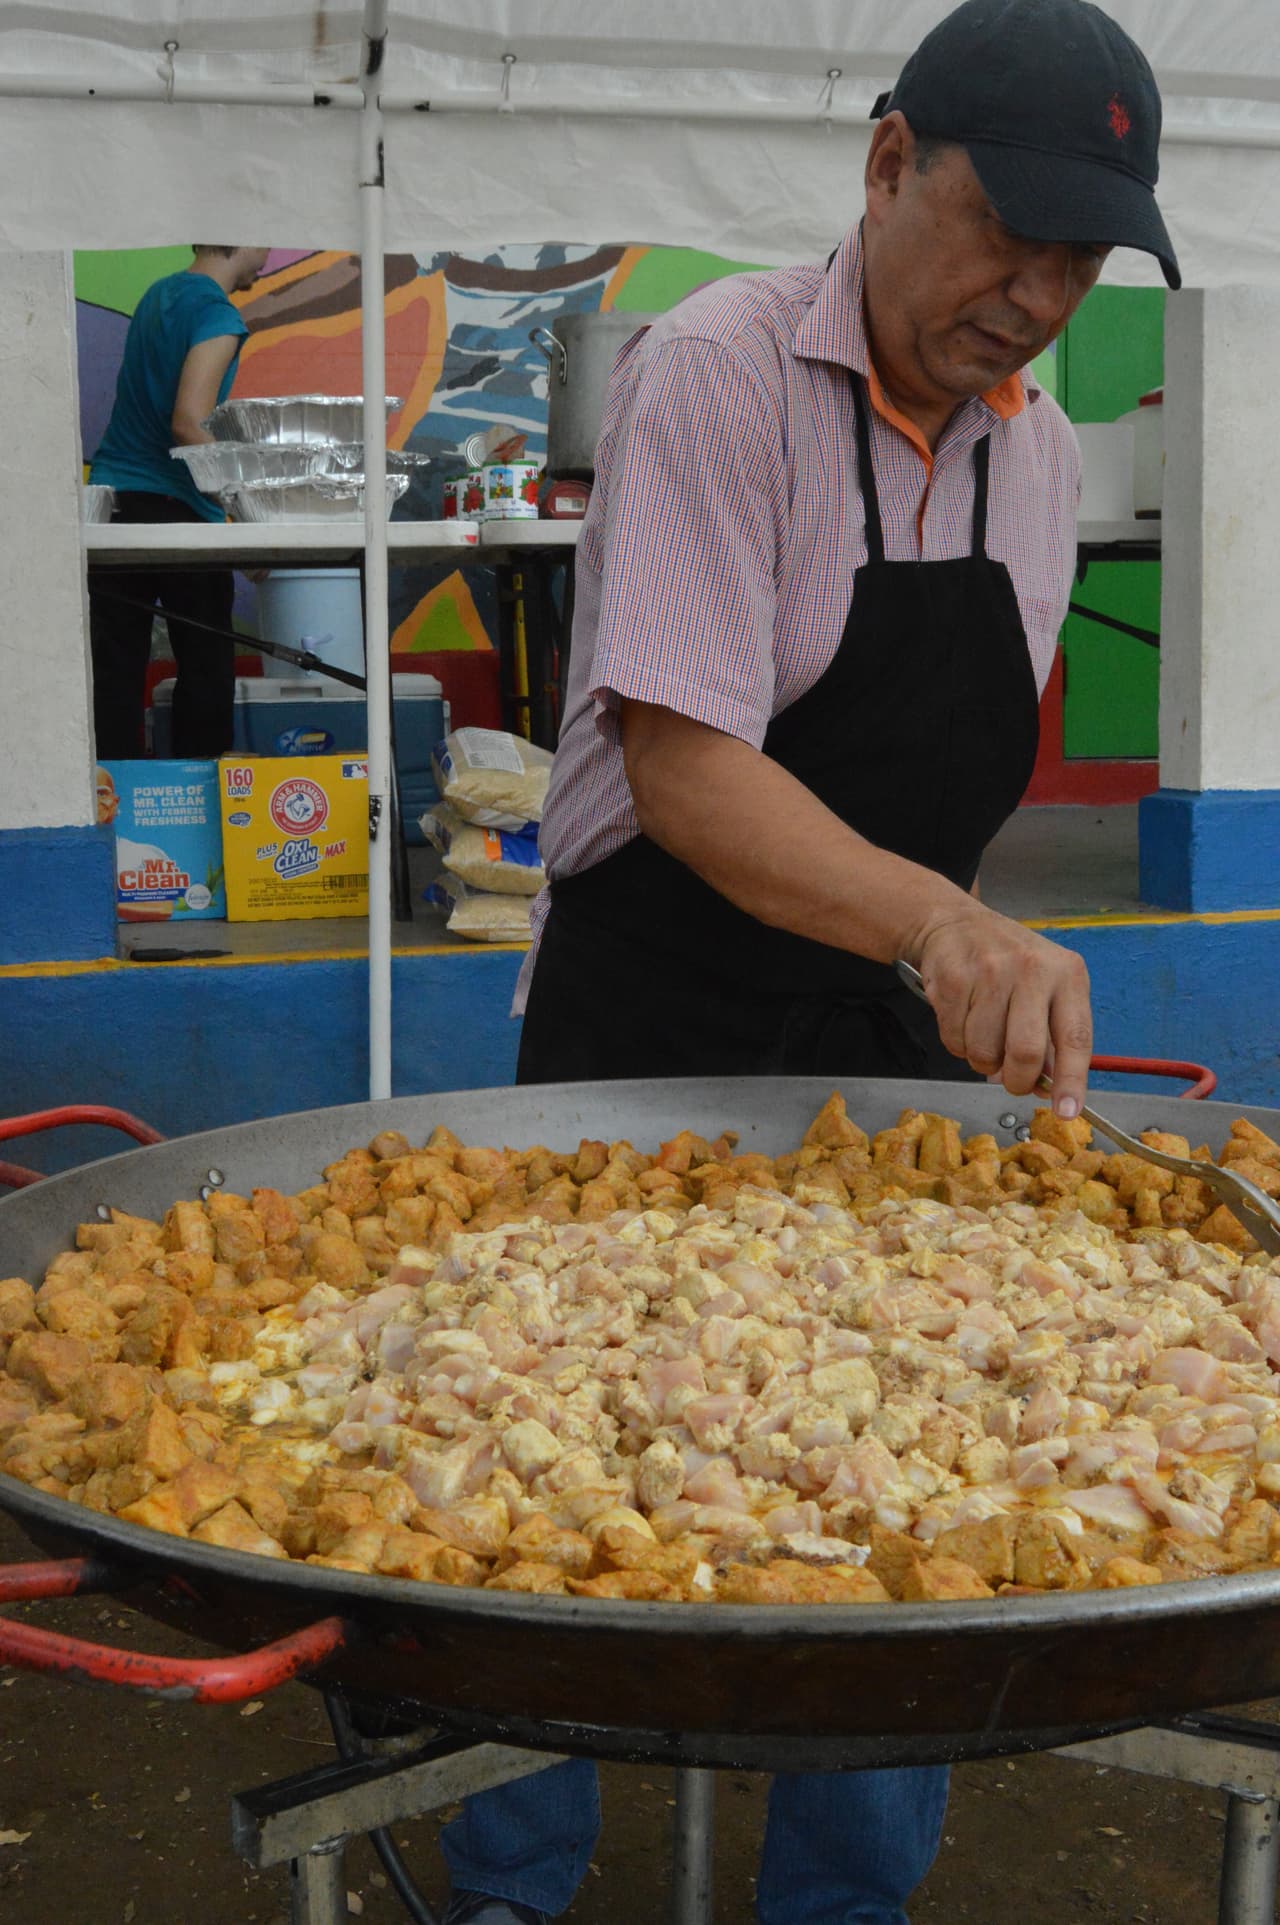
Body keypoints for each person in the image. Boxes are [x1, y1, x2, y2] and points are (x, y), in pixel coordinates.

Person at [445, 3, 1180, 1922]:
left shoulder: (1045, 456)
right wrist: (943, 921)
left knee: (917, 1474)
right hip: (654, 1015)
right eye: (1006, 229)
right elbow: (686, 767)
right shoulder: (713, 373)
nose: (1037, 293)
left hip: (886, 1036)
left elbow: (940, 782)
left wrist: (949, 950)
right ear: (883, 163)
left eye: (1084, 257)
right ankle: (512, 1872)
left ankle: (844, 1900)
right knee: (535, 1459)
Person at [87, 245, 269, 758]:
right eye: (267, 240)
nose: (270, 254)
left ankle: (111, 803)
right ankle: (205, 812)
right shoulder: (217, 314)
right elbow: (188, 422)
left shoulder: (157, 296)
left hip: (116, 506)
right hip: (181, 512)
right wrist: (251, 512)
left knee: (114, 672)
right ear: (241, 238)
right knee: (206, 670)